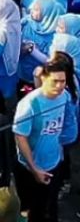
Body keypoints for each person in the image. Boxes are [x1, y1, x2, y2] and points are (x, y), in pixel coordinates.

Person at [13, 55, 77, 221]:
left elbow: (65, 125)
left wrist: (62, 149)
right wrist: (34, 168)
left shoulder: (64, 97)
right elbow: (21, 138)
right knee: (35, 210)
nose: (59, 86)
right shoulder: (29, 104)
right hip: (31, 168)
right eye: (55, 81)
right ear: (43, 77)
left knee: (52, 204)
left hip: (54, 162)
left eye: (63, 81)